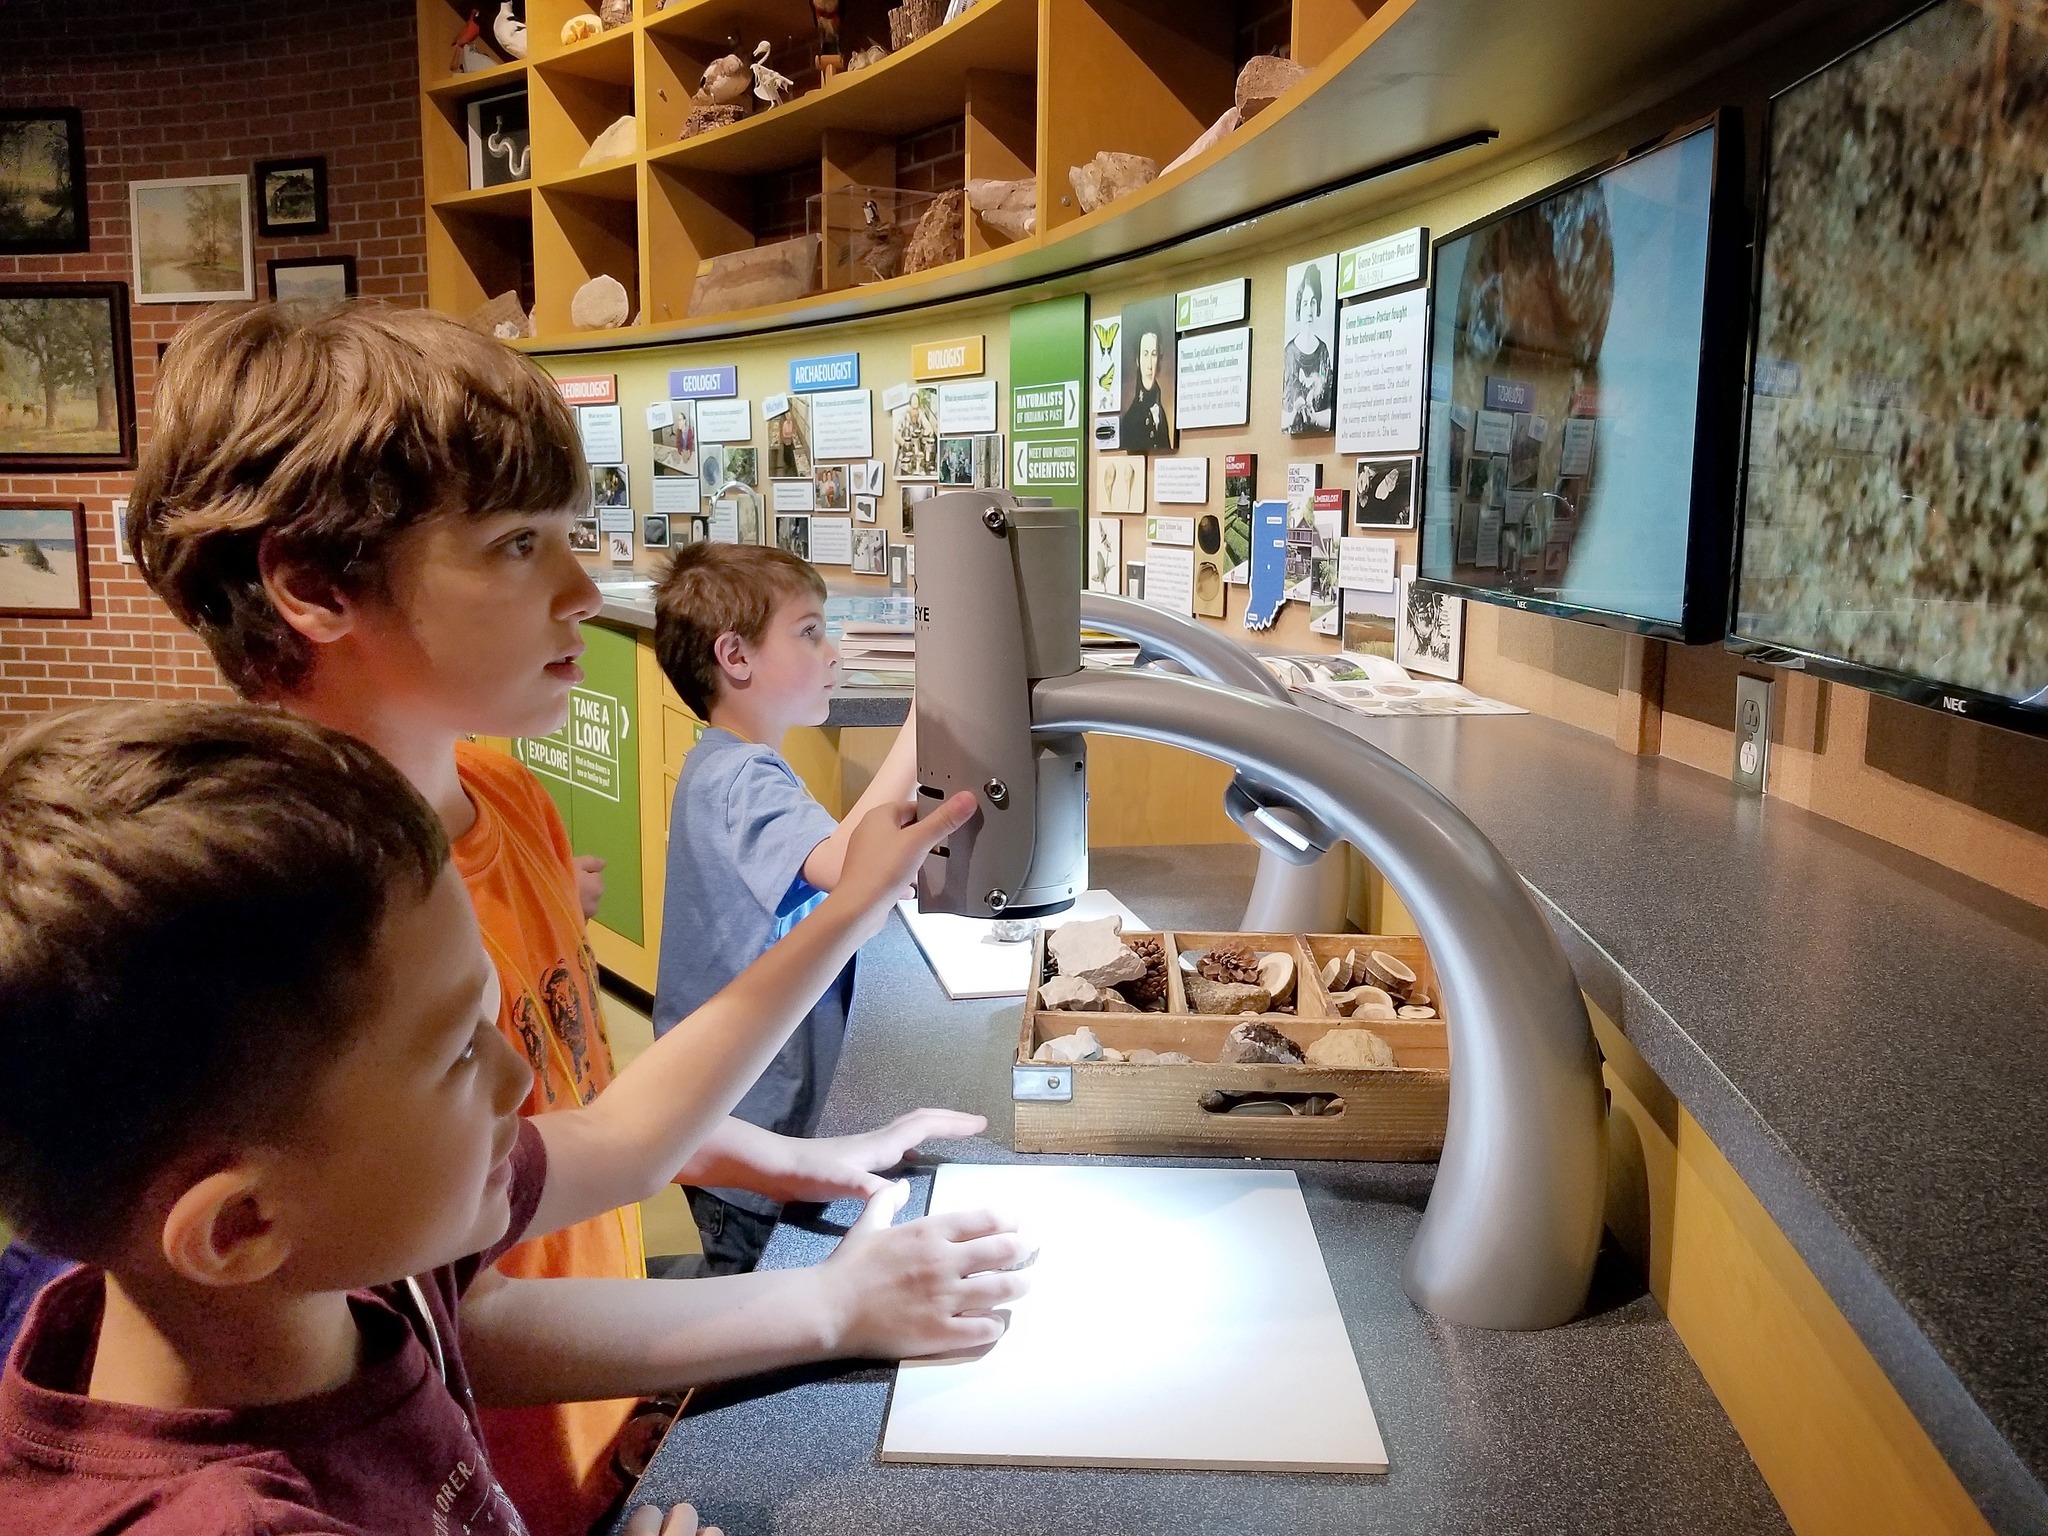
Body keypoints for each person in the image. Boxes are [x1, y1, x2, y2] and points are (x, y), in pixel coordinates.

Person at [118, 302, 994, 1536]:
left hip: (595, 1438)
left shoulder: (505, 800)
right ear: (314, 585)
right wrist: (821, 1309)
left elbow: (582, 1113)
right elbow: (429, 1322)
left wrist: (787, 1161)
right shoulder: (307, 924)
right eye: (518, 545)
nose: (584, 591)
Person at [0, 702, 1025, 1535]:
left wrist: (831, 1307)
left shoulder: (334, 1262)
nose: (517, 1075)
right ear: (239, 1226)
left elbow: (622, 1140)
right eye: (457, 1053)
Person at [651, 542, 925, 1274]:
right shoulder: (742, 776)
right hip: (749, 1126)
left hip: (744, 1111)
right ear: (735, 657)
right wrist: (928, 719)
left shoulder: (730, 764)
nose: (831, 650)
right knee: (750, 1295)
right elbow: (846, 867)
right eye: (809, 632)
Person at [1282, 263, 1334, 434]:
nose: (1309, 310)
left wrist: (1315, 419)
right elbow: (1284, 414)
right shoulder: (1290, 352)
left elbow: (1330, 411)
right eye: (1305, 303)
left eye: (1313, 302)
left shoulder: (1323, 351)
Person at [1118, 329, 1174, 451]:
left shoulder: (1160, 412)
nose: (1149, 365)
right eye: (1145, 354)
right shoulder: (1129, 421)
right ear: (1138, 360)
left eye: (1153, 354)